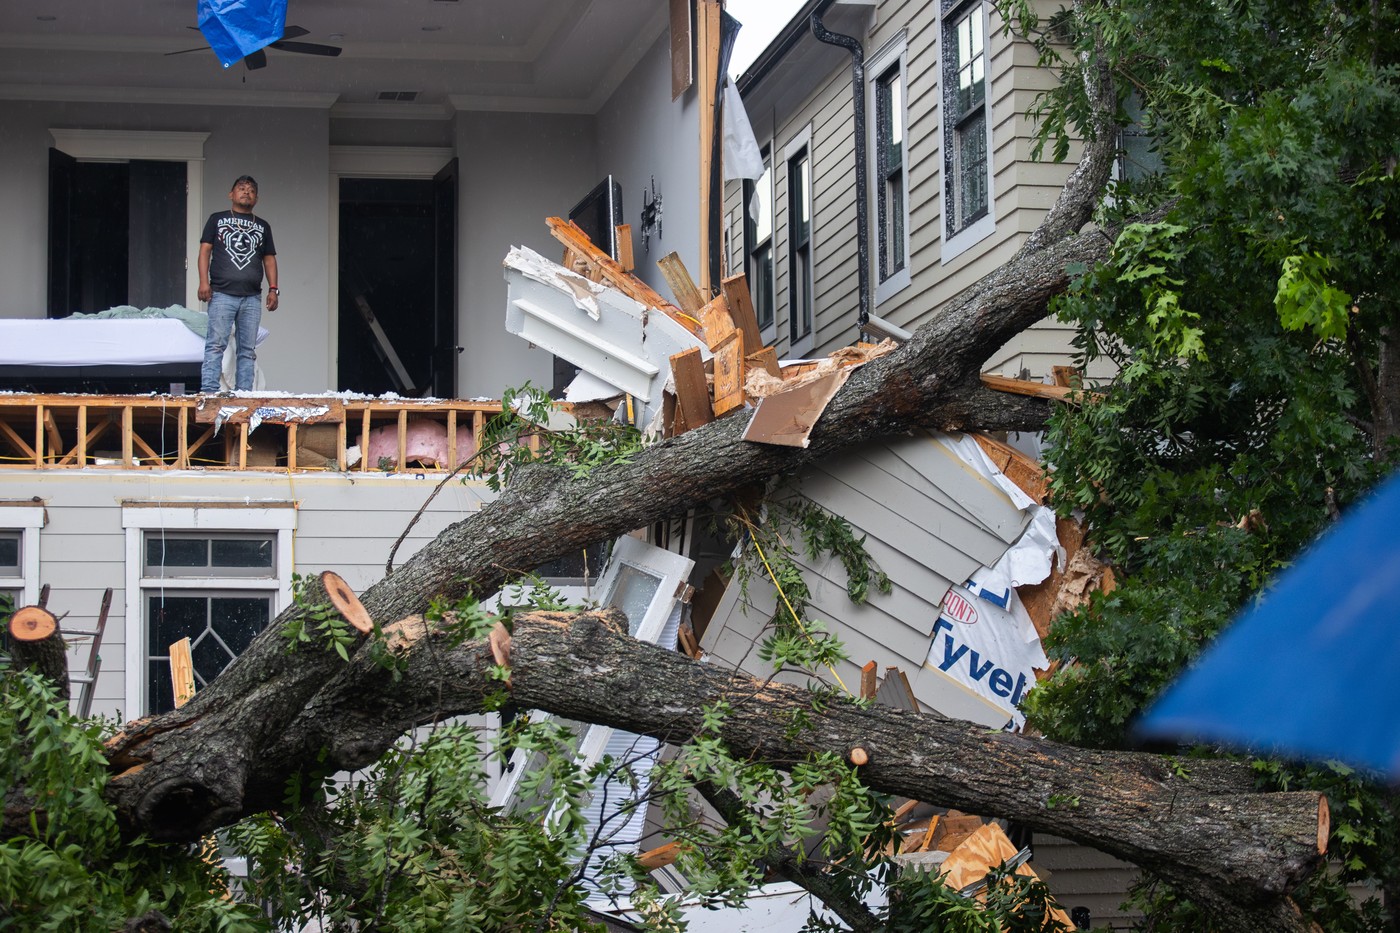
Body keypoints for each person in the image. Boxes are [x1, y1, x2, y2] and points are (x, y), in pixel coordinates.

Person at [198, 175, 279, 393]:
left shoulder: (263, 226)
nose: (246, 192)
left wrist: (273, 289)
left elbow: (269, 258)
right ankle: (208, 392)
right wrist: (204, 282)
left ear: (257, 199)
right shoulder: (217, 219)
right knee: (216, 345)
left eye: (251, 190)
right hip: (222, 293)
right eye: (241, 188)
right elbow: (205, 250)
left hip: (252, 297)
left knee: (247, 350)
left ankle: (244, 396)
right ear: (231, 194)